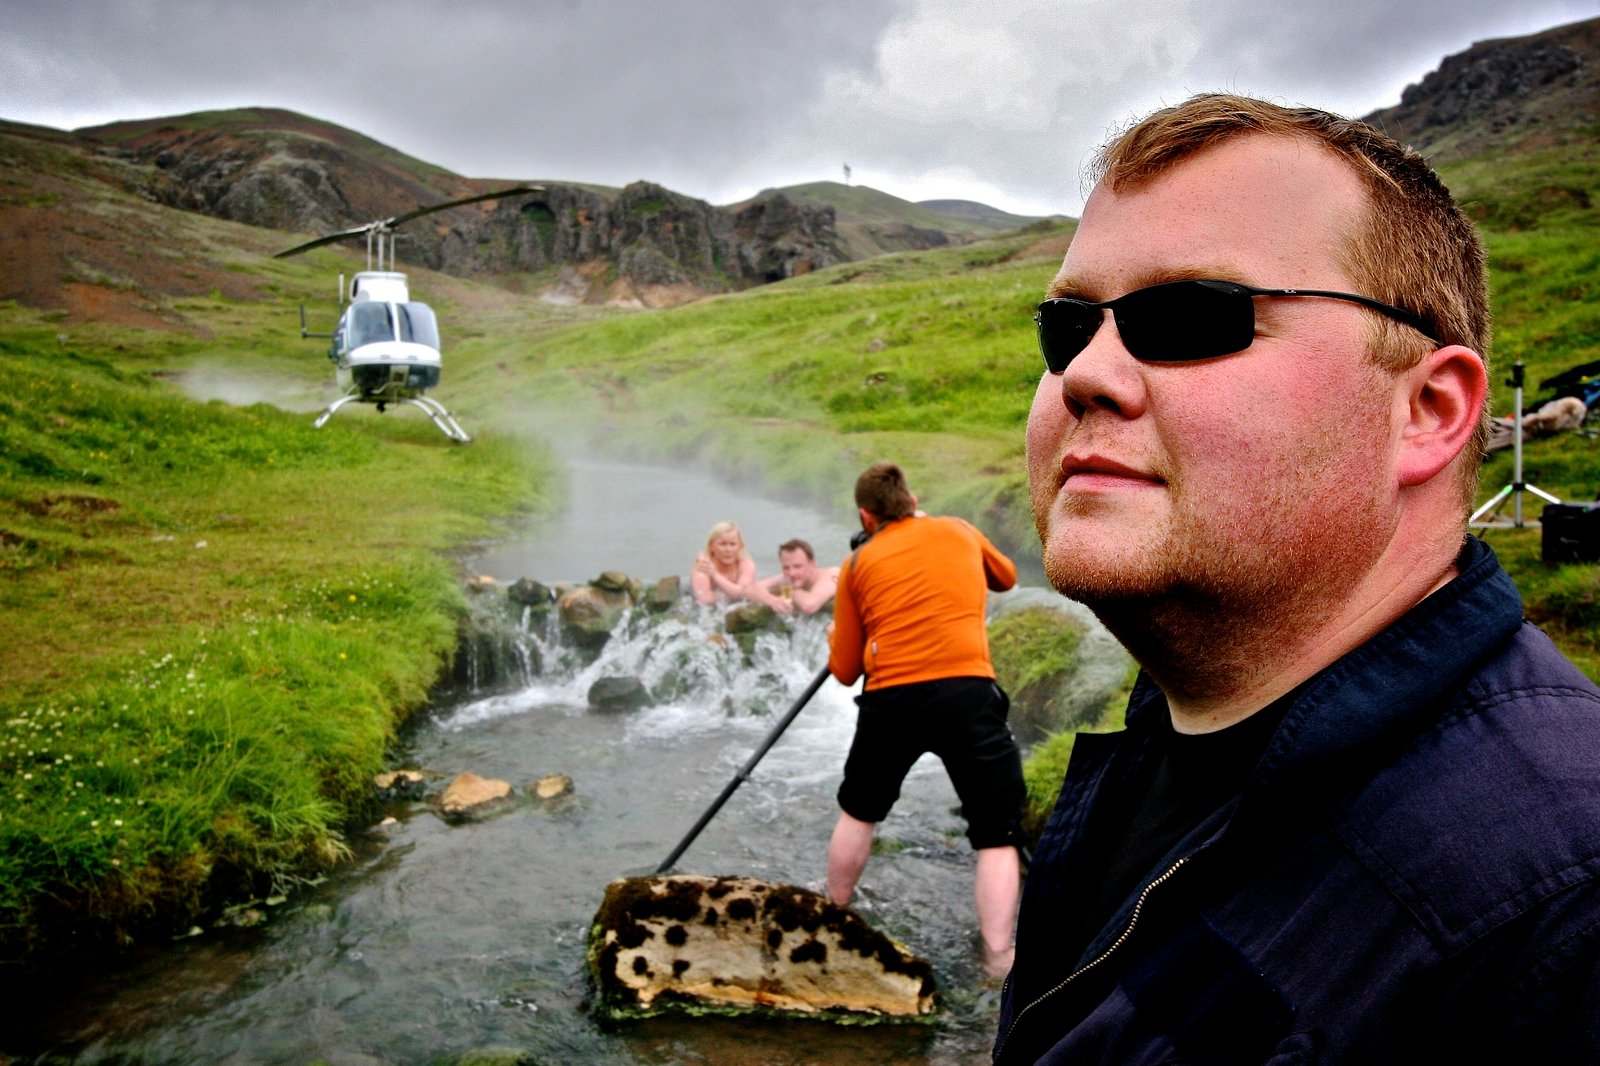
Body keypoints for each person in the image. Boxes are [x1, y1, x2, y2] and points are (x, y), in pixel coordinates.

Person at [996, 93, 1600, 1063]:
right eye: (1065, 328)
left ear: (1428, 411)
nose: (1086, 374)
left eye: (1190, 316)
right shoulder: (1161, 748)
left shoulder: (1563, 919)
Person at [827, 461, 1026, 978]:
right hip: (967, 695)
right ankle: (999, 958)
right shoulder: (958, 529)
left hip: (891, 700)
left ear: (865, 516)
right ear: (912, 500)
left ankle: (834, 910)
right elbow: (1006, 576)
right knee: (997, 834)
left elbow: (845, 671)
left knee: (859, 811)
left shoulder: (858, 564)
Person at [746, 538, 840, 615]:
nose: (791, 573)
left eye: (797, 566)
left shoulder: (832, 574)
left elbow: (810, 605)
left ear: (812, 564)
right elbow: (750, 590)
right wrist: (773, 601)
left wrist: (791, 593)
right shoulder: (788, 578)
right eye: (786, 568)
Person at [690, 520, 757, 605]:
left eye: (732, 544)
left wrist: (715, 575)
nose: (728, 550)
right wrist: (732, 593)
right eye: (722, 544)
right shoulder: (703, 565)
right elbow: (705, 600)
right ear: (711, 546)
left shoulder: (746, 564)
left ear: (740, 546)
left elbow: (741, 596)